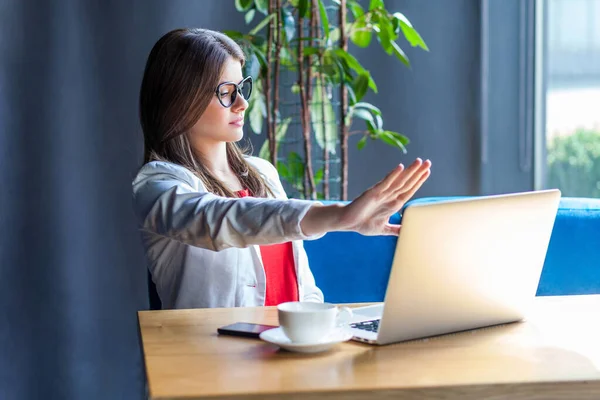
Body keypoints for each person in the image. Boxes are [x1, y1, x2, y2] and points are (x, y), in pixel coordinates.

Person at [132, 28, 431, 309]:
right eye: (226, 92)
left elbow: (302, 286)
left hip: (290, 354)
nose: (242, 104)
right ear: (181, 99)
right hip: (216, 359)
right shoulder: (158, 185)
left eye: (242, 88)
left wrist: (329, 333)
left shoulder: (263, 173)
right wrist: (338, 215)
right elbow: (220, 220)